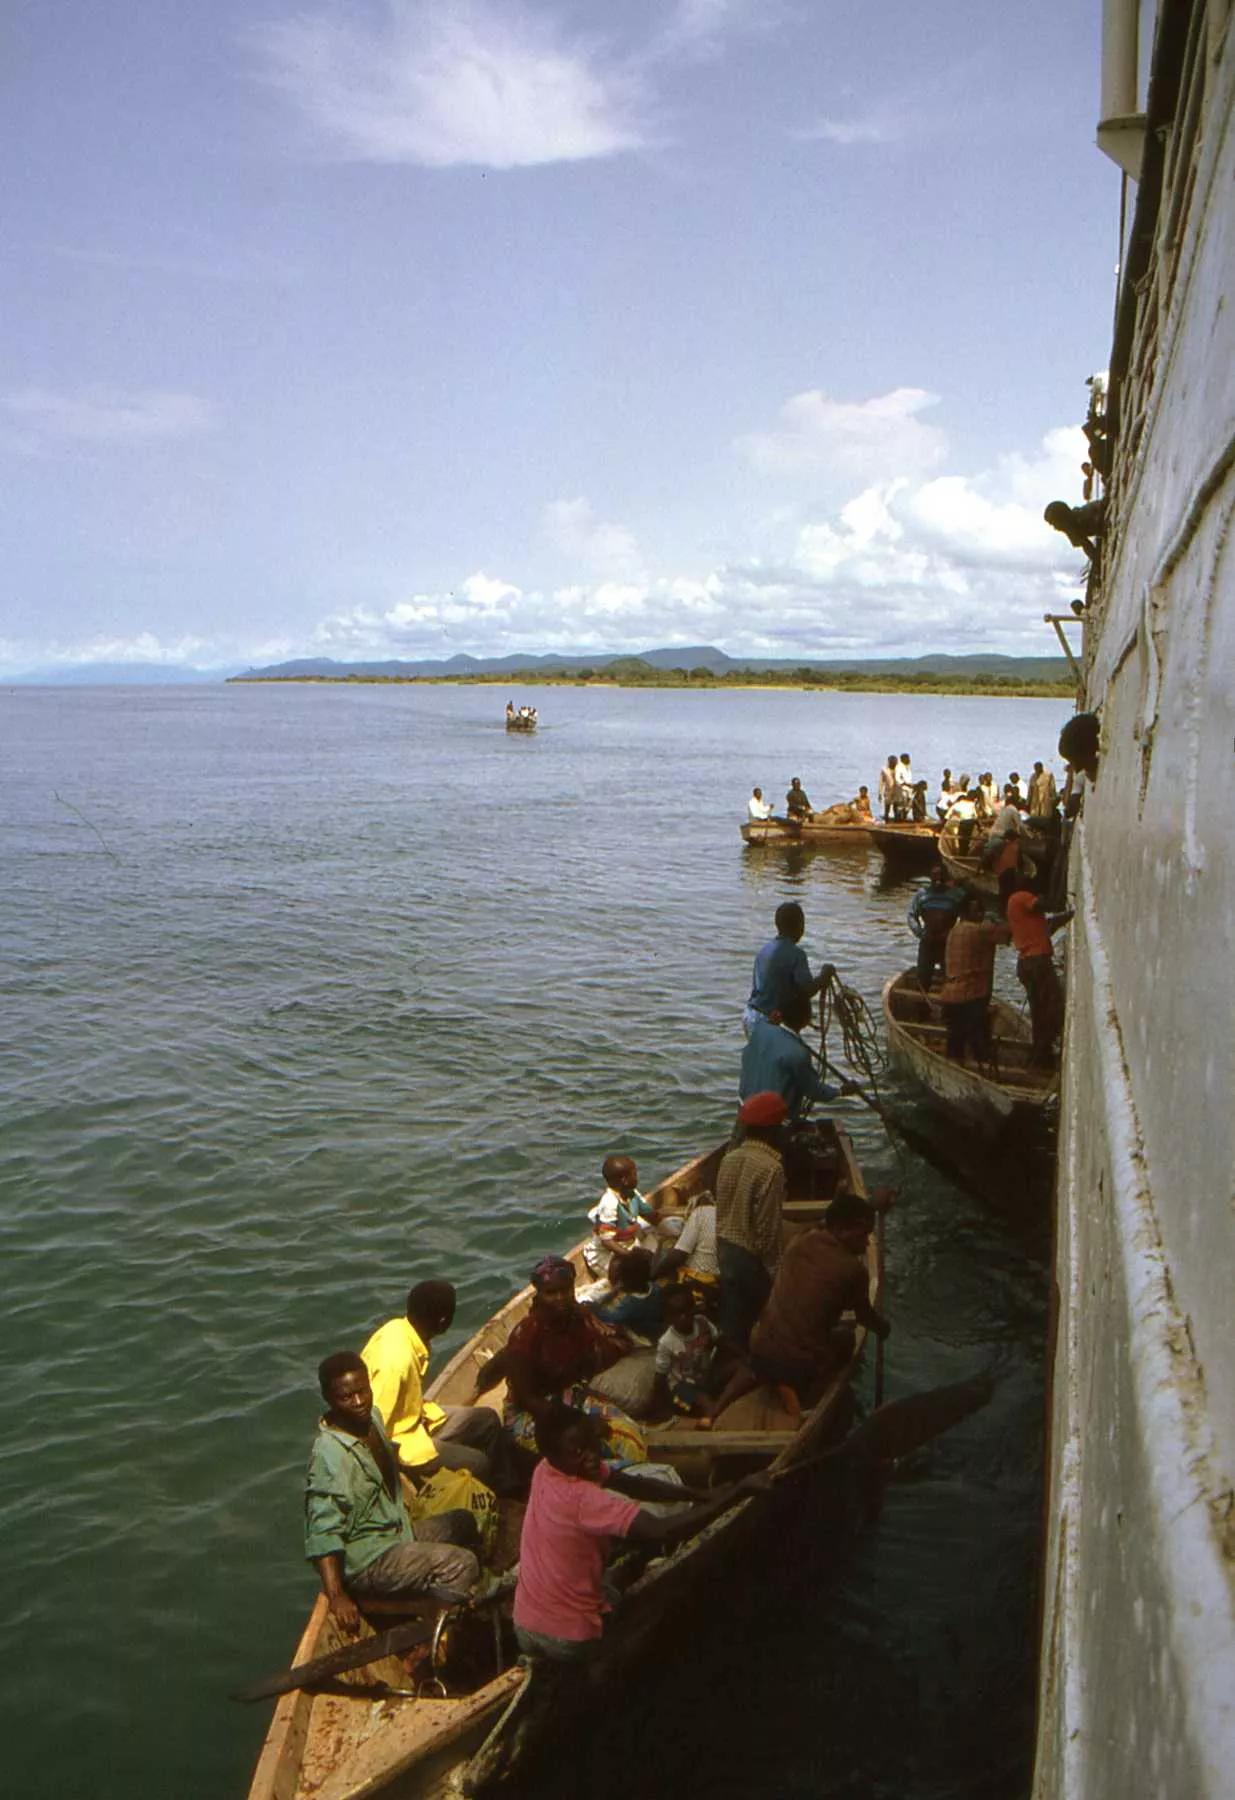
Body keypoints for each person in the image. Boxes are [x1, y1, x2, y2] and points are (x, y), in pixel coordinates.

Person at [512, 1405, 767, 1663]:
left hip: (524, 1625)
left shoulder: (546, 1470)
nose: (591, 1456)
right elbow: (661, 1531)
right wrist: (737, 1494)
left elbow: (633, 1485)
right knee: (640, 1601)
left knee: (616, 1574)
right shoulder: (581, 1497)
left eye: (592, 1443)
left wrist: (702, 1495)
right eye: (578, 1452)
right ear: (555, 1455)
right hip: (569, 1640)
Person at [304, 1351, 480, 1635]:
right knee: (460, 1564)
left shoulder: (372, 1419)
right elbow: (322, 1532)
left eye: (362, 1391)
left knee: (464, 1521)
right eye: (346, 1398)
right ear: (328, 1399)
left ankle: (445, 1600)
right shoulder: (329, 1457)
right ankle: (437, 1635)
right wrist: (336, 1596)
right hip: (369, 1561)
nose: (358, 1403)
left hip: (397, 1533)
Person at [361, 1281, 516, 1491]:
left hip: (417, 1419)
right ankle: (483, 1501)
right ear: (443, 1321)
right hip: (404, 1446)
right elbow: (374, 1427)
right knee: (478, 1463)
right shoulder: (396, 1363)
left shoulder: (398, 1329)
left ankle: (507, 1486)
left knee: (487, 1420)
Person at [498, 1256, 647, 1465]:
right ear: (539, 1294)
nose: (560, 1298)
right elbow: (527, 1399)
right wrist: (581, 1422)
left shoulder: (575, 1319)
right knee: (573, 1454)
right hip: (533, 1412)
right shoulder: (525, 1336)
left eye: (565, 1290)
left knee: (630, 1438)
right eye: (551, 1293)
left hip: (569, 1396)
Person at [748, 1196, 891, 1405]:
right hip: (794, 1367)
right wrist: (883, 1328)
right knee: (845, 1338)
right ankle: (814, 1393)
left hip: (758, 1353)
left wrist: (871, 1206)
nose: (866, 1243)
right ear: (841, 1230)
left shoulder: (802, 1238)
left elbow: (829, 1220)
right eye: (862, 1236)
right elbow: (864, 1317)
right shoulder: (854, 1270)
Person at [716, 1091, 789, 1349]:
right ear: (773, 1131)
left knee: (735, 1323)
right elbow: (766, 1232)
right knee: (764, 1325)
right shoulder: (772, 1168)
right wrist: (776, 1275)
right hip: (750, 1260)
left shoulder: (729, 1159)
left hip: (724, 1250)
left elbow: (722, 1208)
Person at [1002, 874, 1074, 1066]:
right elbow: (1044, 905)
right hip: (1037, 961)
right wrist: (1054, 897)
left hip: (1028, 962)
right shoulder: (1021, 896)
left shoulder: (1019, 908)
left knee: (1040, 1011)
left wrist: (1068, 915)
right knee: (1051, 1007)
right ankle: (1041, 1054)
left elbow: (1048, 925)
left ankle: (1041, 1054)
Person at [739, 990, 841, 1121]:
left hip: (745, 1109)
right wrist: (840, 1091)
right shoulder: (799, 1053)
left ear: (779, 1014)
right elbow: (815, 1091)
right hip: (774, 1121)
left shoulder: (758, 1030)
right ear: (807, 1020)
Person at [940, 895, 1011, 1065]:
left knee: (955, 1042)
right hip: (971, 996)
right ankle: (981, 1064)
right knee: (979, 1044)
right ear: (966, 913)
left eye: (981, 911)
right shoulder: (979, 930)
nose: (981, 914)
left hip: (950, 996)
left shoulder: (954, 930)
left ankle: (955, 1062)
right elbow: (1008, 932)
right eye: (977, 911)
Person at [743, 901, 832, 1036]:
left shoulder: (763, 951)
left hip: (750, 1016)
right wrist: (824, 976)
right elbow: (807, 989)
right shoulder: (797, 954)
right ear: (800, 926)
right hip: (769, 1022)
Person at [653, 1284, 722, 1416]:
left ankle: (718, 1406)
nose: (683, 1317)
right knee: (704, 1401)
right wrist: (661, 1407)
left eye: (686, 1311)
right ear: (668, 1317)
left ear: (693, 1309)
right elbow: (660, 1376)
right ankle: (715, 1413)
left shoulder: (702, 1322)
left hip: (706, 1374)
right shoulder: (666, 1342)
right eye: (676, 1314)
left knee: (742, 1371)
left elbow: (720, 1341)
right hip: (685, 1384)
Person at [583, 1154, 657, 1275]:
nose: (636, 1177)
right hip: (605, 1254)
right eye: (634, 1174)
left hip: (628, 1245)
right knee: (635, 1275)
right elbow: (607, 1241)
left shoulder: (631, 1194)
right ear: (624, 1180)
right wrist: (631, 1257)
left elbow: (652, 1216)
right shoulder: (610, 1204)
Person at [586, 1248, 667, 1342]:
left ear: (625, 1281)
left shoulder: (631, 1304)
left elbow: (609, 1316)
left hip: (645, 1338)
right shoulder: (655, 1288)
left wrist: (594, 1306)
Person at [907, 864, 965, 989]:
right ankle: (922, 998)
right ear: (930, 878)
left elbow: (965, 916)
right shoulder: (922, 895)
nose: (938, 883)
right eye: (935, 879)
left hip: (948, 943)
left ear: (946, 879)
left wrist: (954, 933)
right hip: (928, 941)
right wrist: (920, 932)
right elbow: (911, 915)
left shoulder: (956, 895)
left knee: (949, 978)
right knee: (923, 977)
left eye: (941, 879)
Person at [652, 1189, 718, 1295]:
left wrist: (654, 1275)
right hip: (719, 1278)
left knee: (666, 1244)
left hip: (699, 1279)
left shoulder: (700, 1212)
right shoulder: (723, 1214)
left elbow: (678, 1256)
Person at [947, 777, 978, 854]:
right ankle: (966, 851)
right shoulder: (972, 804)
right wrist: (980, 827)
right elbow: (976, 817)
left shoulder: (957, 804)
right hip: (970, 823)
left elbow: (947, 816)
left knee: (961, 839)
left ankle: (961, 852)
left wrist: (944, 825)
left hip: (963, 823)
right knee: (967, 840)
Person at [877, 755, 899, 822]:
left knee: (896, 807)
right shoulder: (884, 770)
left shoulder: (898, 769)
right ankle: (886, 820)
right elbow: (881, 782)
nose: (893, 763)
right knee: (887, 807)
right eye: (892, 762)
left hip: (897, 791)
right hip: (888, 791)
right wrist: (880, 793)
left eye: (895, 762)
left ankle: (897, 821)